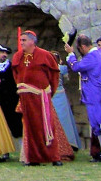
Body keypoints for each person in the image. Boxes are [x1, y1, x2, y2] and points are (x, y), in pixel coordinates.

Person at [11, 31, 73, 165]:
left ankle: (54, 157)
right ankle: (34, 158)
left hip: (41, 96)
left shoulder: (45, 55)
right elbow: (16, 74)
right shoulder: (17, 57)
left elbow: (54, 75)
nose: (21, 43)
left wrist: (47, 91)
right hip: (26, 97)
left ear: (32, 41)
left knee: (47, 126)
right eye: (20, 40)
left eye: (24, 40)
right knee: (30, 128)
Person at [64, 34, 101, 158]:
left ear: (83, 46)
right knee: (97, 124)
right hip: (96, 91)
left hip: (93, 94)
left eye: (79, 49)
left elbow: (76, 67)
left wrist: (71, 55)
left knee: (96, 123)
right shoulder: (99, 53)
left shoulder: (92, 57)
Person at [0, 45, 20, 138]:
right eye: (2, 52)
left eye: (6, 53)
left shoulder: (12, 66)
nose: (4, 55)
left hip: (12, 98)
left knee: (15, 121)